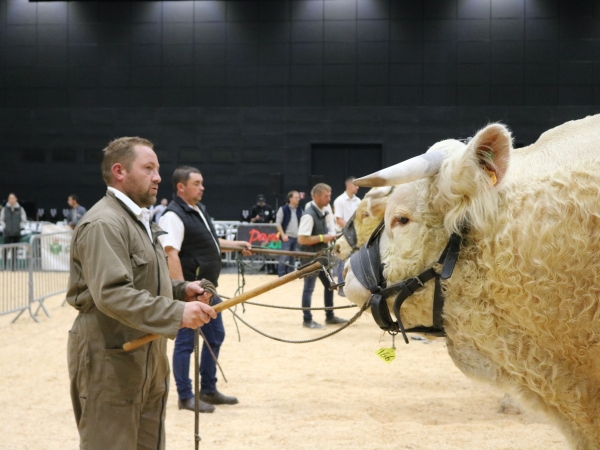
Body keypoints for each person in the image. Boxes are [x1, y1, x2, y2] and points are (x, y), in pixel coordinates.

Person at [65, 137, 217, 449]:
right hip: (110, 360)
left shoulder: (139, 220)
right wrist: (177, 314)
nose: (158, 177)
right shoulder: (104, 223)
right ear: (119, 171)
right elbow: (113, 294)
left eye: (157, 169)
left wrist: (181, 291)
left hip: (146, 359)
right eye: (149, 168)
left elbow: (145, 283)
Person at [159, 166, 251, 413]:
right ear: (181, 187)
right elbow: (171, 254)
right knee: (185, 345)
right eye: (197, 183)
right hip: (192, 293)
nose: (202, 187)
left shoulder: (197, 210)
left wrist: (237, 244)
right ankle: (186, 397)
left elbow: (211, 243)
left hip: (208, 291)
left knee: (215, 336)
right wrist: (183, 293)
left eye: (202, 183)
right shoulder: (173, 215)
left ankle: (208, 390)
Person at [298, 183, 348, 329]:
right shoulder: (309, 215)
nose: (329, 198)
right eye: (326, 196)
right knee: (309, 289)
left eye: (329, 195)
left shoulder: (322, 212)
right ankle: (307, 320)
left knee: (329, 286)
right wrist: (322, 238)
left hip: (321, 257)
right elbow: (302, 239)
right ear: (316, 196)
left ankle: (330, 316)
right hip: (310, 258)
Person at [332, 177, 360, 296]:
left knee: (355, 261)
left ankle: (354, 287)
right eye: (356, 185)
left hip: (356, 235)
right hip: (343, 235)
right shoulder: (340, 200)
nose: (358, 187)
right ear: (349, 185)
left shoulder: (358, 201)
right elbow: (338, 219)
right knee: (342, 260)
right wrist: (350, 231)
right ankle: (341, 286)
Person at [275, 190, 303, 277]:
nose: (298, 199)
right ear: (290, 198)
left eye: (299, 197)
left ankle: (291, 275)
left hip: (296, 237)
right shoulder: (283, 209)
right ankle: (281, 275)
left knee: (293, 257)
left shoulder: (300, 210)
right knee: (284, 256)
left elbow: (302, 222)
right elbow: (278, 223)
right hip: (287, 237)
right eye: (296, 197)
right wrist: (283, 235)